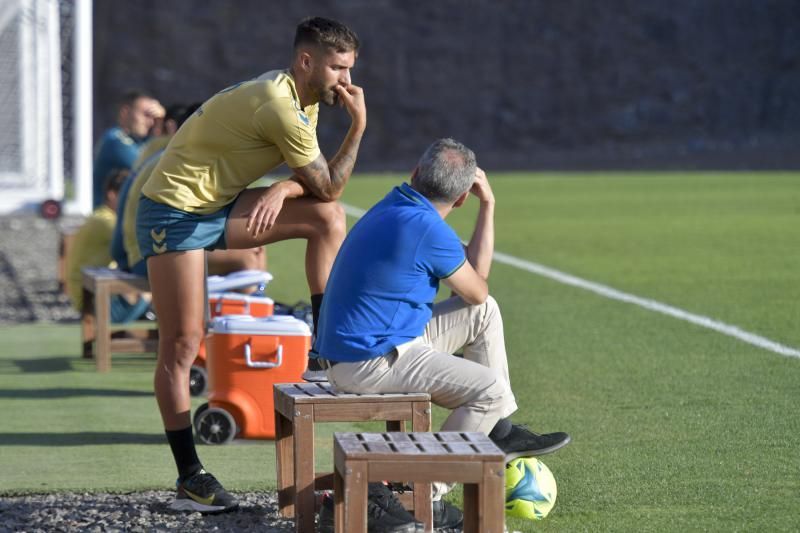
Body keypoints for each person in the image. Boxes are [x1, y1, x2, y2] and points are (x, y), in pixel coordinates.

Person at [135, 16, 365, 513]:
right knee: (181, 344)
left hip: (217, 206)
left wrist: (284, 186)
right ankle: (190, 477)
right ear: (307, 61)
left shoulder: (303, 98)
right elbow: (329, 181)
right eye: (338, 68)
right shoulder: (280, 104)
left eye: (349, 68)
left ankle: (322, 352)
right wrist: (360, 127)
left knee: (327, 218)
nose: (346, 81)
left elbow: (320, 189)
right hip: (172, 212)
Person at [312, 138, 571, 531]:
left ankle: (497, 431)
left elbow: (475, 291)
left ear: (415, 174)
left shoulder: (399, 203)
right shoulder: (428, 229)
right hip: (368, 361)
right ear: (463, 197)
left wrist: (486, 207)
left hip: (365, 346)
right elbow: (475, 284)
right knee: (491, 391)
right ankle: (423, 493)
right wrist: (490, 204)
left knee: (483, 313)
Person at [111, 104, 266, 279]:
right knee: (249, 257)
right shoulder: (176, 159)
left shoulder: (162, 154)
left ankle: (246, 302)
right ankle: (251, 303)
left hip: (139, 253)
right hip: (150, 254)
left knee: (253, 247)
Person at [65, 168, 150, 323]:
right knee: (155, 289)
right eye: (127, 197)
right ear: (112, 195)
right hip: (93, 301)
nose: (131, 203)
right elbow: (136, 245)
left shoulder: (100, 216)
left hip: (88, 294)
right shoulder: (107, 222)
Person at [93, 90, 164, 208]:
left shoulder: (143, 142)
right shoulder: (114, 140)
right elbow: (151, 168)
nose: (151, 122)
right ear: (125, 113)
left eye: (154, 118)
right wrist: (160, 128)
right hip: (107, 220)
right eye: (146, 115)